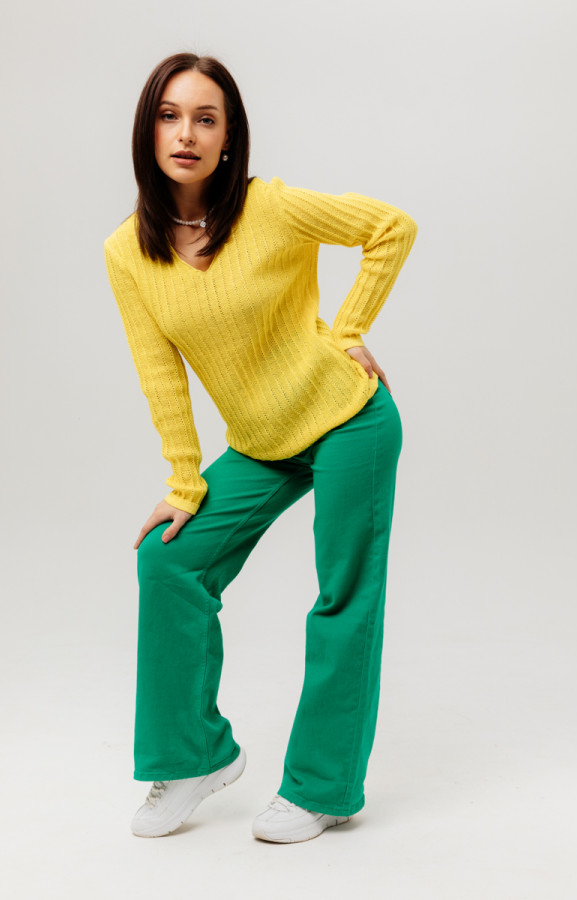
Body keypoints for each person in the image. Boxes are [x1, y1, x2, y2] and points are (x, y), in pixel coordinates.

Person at [104, 51, 418, 844]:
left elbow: (390, 228)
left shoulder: (270, 207)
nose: (186, 133)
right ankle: (193, 758)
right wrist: (184, 482)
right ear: (147, 131)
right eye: (170, 116)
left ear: (228, 138)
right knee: (168, 563)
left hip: (348, 418)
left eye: (205, 119)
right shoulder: (128, 251)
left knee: (343, 596)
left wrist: (346, 332)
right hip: (262, 442)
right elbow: (160, 374)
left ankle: (324, 787)